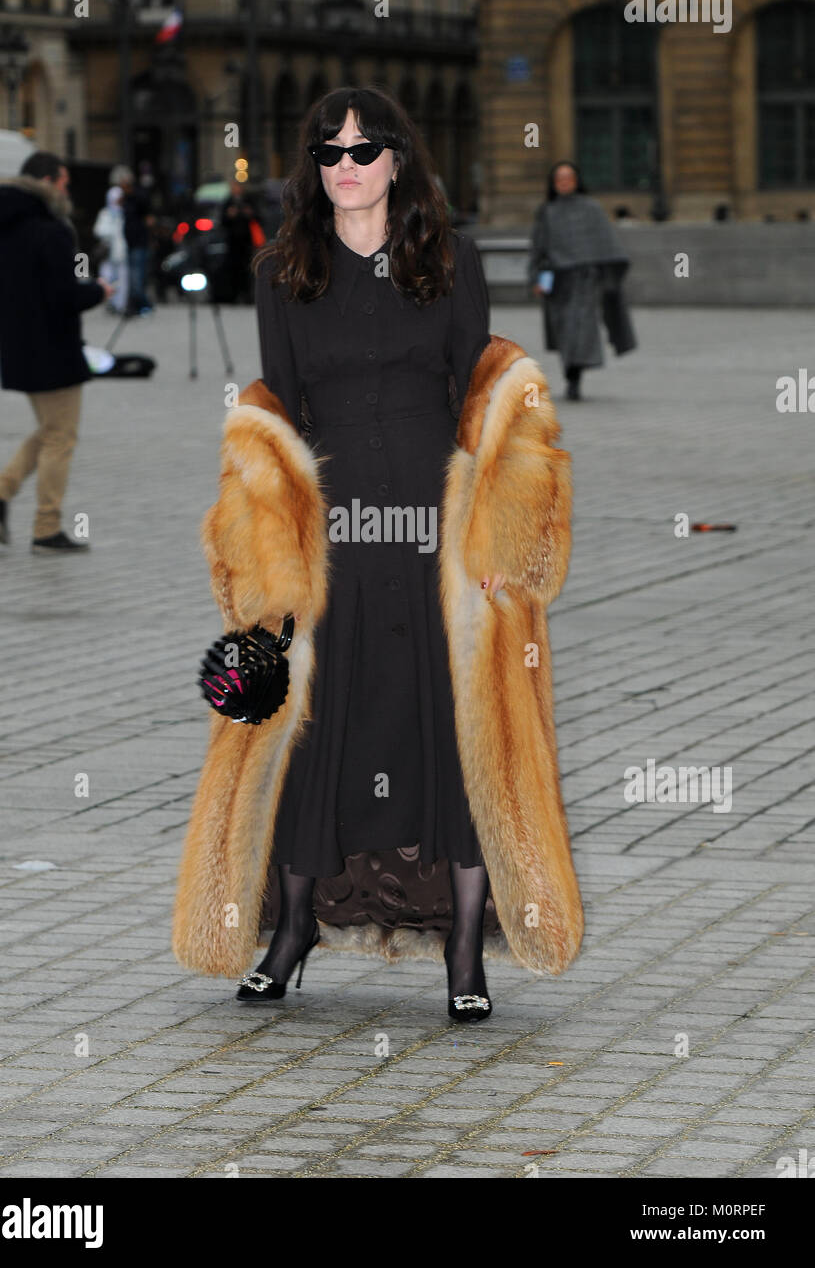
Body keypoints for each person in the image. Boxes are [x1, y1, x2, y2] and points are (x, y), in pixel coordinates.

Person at [172, 87, 583, 1021]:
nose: (347, 165)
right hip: (334, 534)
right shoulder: (284, 270)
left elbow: (483, 398)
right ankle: (292, 930)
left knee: (451, 726)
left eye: (365, 149)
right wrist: (271, 556)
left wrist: (496, 539)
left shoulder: (448, 258)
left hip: (435, 535)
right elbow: (275, 415)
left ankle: (465, 953)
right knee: (321, 729)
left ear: (399, 160)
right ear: (313, 172)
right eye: (329, 152)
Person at [0, 151, 114, 554]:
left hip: (17, 349)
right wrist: (99, 291)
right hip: (54, 349)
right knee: (61, 437)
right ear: (49, 181)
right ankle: (46, 527)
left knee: (52, 429)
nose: (67, 189)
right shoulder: (49, 230)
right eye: (65, 181)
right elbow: (63, 296)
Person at [528, 161, 638, 401]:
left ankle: (574, 378)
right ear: (553, 183)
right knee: (564, 330)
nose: (564, 182)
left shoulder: (591, 209)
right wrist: (537, 279)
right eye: (559, 178)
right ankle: (570, 370)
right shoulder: (547, 211)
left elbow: (607, 242)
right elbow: (539, 250)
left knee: (580, 329)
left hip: (585, 281)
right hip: (557, 280)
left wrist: (607, 277)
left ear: (576, 181)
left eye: (568, 177)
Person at [119, 169, 154, 315]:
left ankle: (142, 303)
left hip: (139, 242)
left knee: (137, 276)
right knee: (133, 275)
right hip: (130, 242)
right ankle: (137, 304)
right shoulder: (126, 199)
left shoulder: (139, 197)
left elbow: (149, 219)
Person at [93, 185, 129, 314]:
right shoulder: (105, 213)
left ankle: (120, 305)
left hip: (121, 252)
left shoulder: (125, 213)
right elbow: (98, 230)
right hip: (108, 253)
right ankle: (109, 302)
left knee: (122, 280)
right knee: (107, 278)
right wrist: (111, 229)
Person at [220, 182, 256, 303]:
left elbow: (258, 217)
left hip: (246, 241)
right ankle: (233, 295)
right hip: (232, 241)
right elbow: (222, 221)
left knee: (246, 268)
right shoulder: (228, 202)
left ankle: (246, 295)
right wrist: (229, 215)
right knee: (232, 269)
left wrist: (249, 213)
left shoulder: (248, 200)